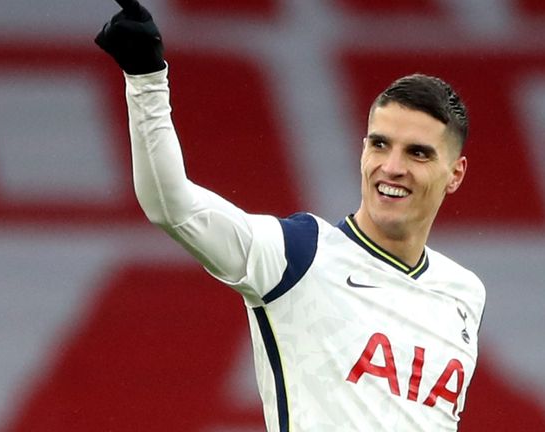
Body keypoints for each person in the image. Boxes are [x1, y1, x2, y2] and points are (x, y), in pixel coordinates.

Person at [96, 0, 486, 430]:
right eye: (379, 144)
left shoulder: (464, 293)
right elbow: (172, 205)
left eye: (417, 153)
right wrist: (146, 81)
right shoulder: (299, 256)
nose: (391, 166)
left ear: (456, 173)